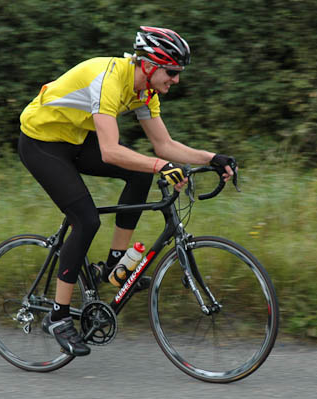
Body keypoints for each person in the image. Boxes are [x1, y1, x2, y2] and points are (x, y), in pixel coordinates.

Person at [18, 26, 236, 356]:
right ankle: (58, 317)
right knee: (86, 220)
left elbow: (164, 144)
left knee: (140, 174)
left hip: (76, 138)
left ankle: (115, 265)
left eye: (178, 73)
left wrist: (212, 158)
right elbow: (109, 151)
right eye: (172, 72)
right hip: (42, 142)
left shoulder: (145, 93)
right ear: (148, 64)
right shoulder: (109, 79)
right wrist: (160, 165)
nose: (176, 80)